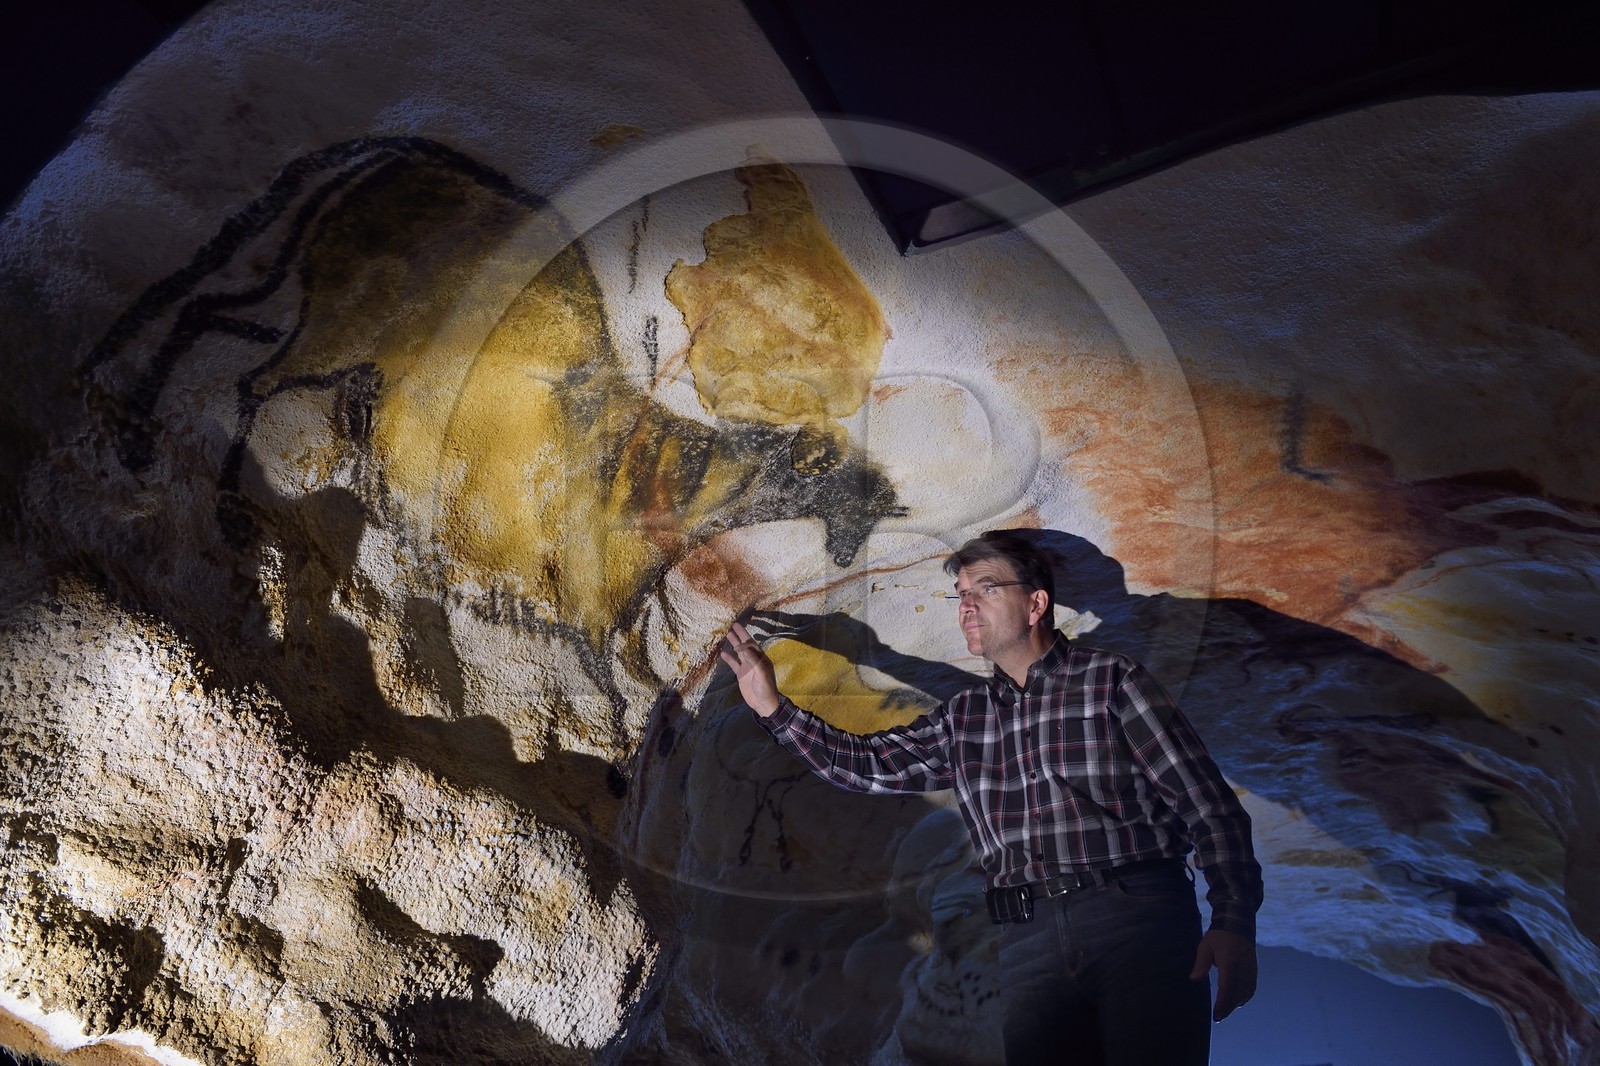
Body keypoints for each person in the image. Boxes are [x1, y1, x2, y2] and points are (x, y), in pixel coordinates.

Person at [720, 530, 1262, 1065]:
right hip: (1028, 941)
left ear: (1036, 604)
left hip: (1135, 919)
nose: (966, 606)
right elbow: (869, 767)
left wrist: (1233, 920)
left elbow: (1207, 804)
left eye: (984, 589)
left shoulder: (1112, 682)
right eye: (960, 595)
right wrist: (773, 707)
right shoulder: (964, 719)